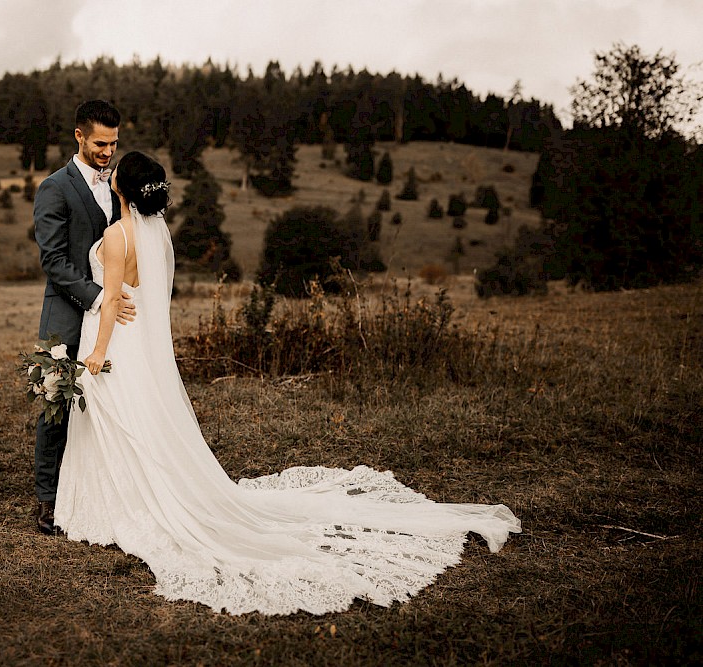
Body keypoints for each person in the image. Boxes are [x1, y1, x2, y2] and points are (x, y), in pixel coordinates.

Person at [55, 151, 521, 615]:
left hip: (116, 342)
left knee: (125, 421)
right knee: (142, 421)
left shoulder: (116, 238)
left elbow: (113, 299)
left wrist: (95, 355)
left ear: (121, 187)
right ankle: (138, 494)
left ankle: (128, 504)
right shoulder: (156, 234)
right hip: (141, 345)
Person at [32, 100, 135, 536]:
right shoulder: (54, 187)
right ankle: (48, 500)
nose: (108, 152)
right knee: (56, 402)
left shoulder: (119, 187)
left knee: (108, 402)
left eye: (113, 143)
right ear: (79, 136)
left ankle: (100, 490)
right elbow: (53, 260)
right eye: (99, 143)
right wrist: (98, 298)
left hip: (110, 320)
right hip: (67, 313)